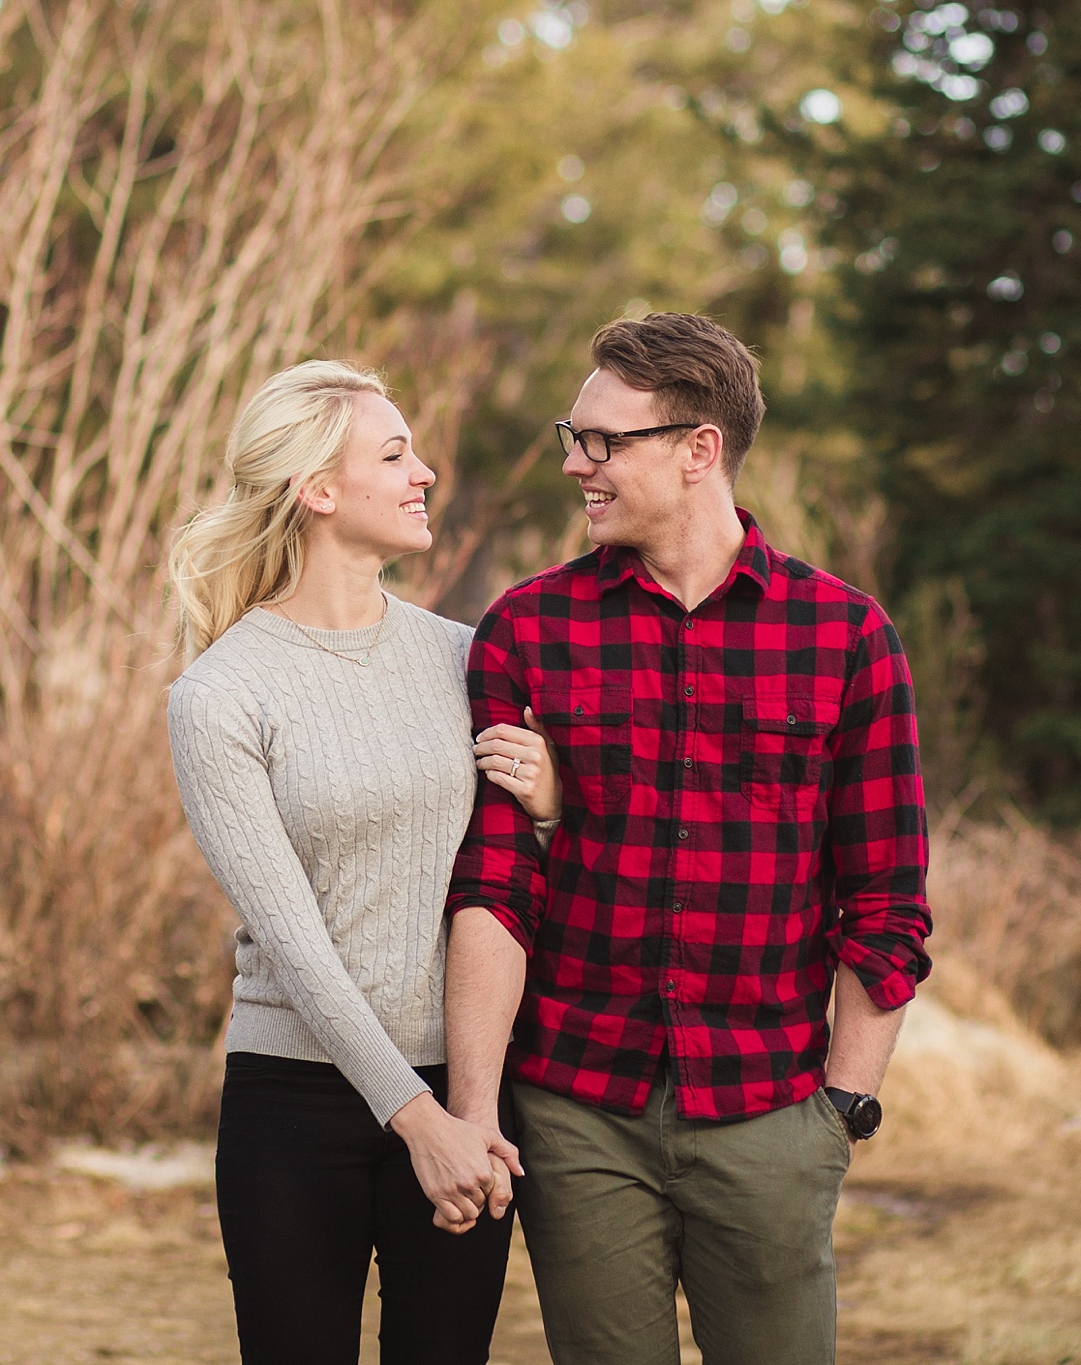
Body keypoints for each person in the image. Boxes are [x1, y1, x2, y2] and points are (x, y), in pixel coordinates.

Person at [443, 313, 933, 1365]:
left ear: (696, 448)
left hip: (768, 1106)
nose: (574, 463)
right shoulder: (527, 631)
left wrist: (842, 1106)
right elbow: (494, 881)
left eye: (601, 442)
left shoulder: (844, 635)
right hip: (576, 1107)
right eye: (570, 435)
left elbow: (886, 901)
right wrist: (475, 1107)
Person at [167, 359, 557, 1365]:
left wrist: (552, 810)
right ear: (318, 490)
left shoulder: (466, 657)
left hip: (467, 1088)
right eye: (394, 454)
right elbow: (295, 947)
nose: (422, 472)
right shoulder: (220, 694)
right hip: (294, 1107)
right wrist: (415, 1120)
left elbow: (515, 877)